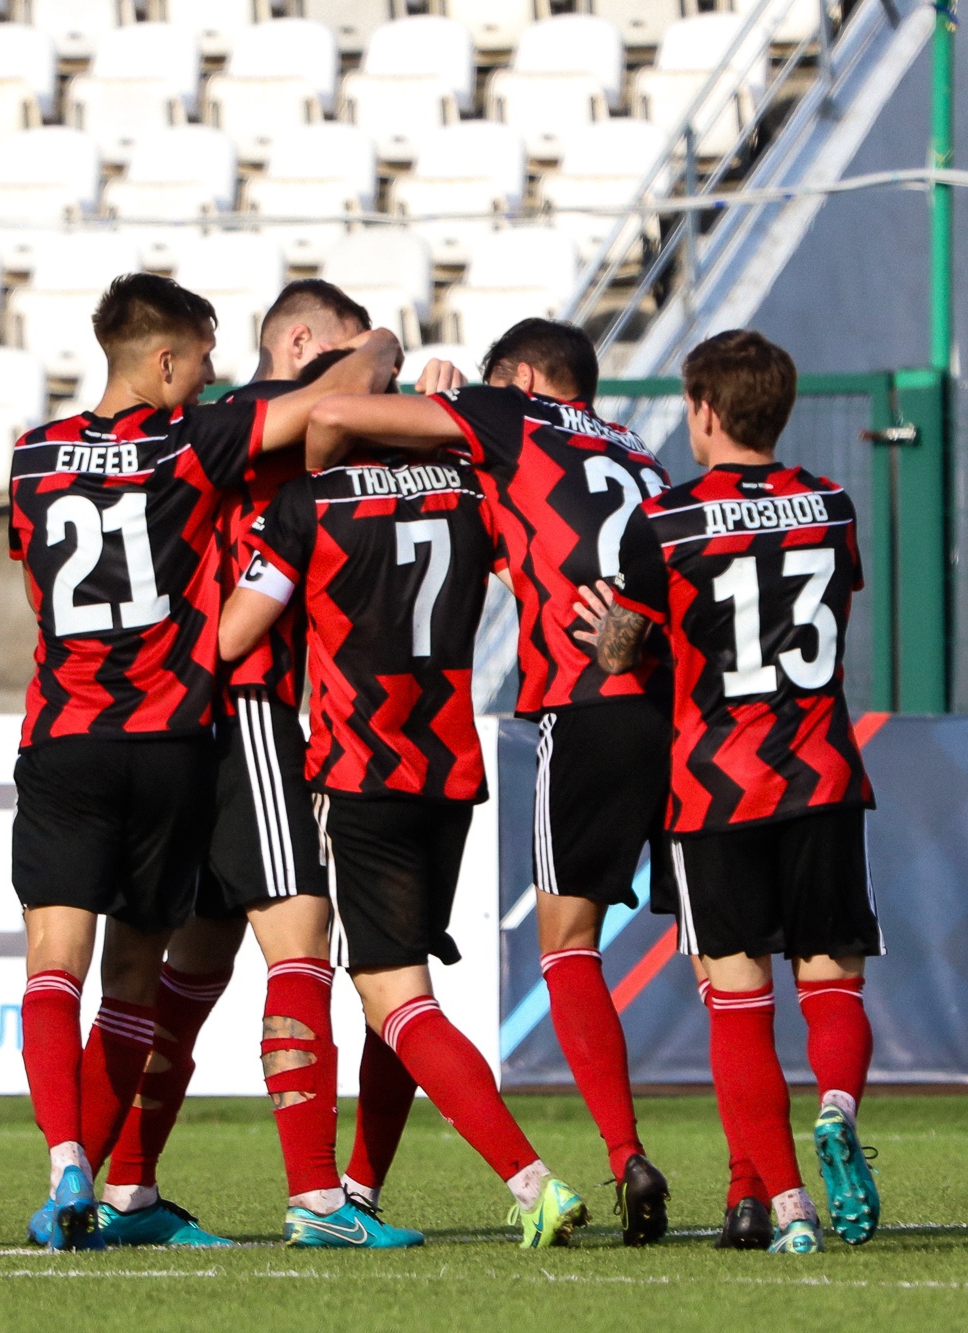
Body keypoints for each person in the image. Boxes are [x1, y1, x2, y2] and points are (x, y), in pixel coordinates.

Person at [8, 272, 402, 1251]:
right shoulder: (208, 434)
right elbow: (323, 402)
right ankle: (316, 1196)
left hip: (67, 728)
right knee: (292, 936)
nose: (210, 376)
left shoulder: (29, 455)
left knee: (166, 970)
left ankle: (104, 1184)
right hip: (223, 715)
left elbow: (36, 589)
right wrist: (386, 346)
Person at [297, 319, 675, 1244]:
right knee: (722, 954)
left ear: (527, 378)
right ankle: (769, 1185)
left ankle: (608, 1156)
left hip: (556, 709)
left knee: (558, 947)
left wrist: (421, 385)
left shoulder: (509, 415)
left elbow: (335, 414)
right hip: (672, 708)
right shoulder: (646, 456)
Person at [215, 410, 590, 1250]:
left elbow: (235, 631)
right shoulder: (470, 493)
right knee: (401, 987)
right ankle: (361, 1189)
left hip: (360, 773)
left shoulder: (310, 503)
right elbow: (533, 572)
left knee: (394, 994)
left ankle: (531, 1182)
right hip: (448, 771)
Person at [578, 328, 881, 1255]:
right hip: (822, 772)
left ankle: (789, 1212)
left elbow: (624, 651)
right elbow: (832, 608)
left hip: (715, 790)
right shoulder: (831, 505)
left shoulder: (661, 522)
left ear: (704, 412)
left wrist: (609, 628)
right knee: (831, 981)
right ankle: (836, 1107)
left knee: (739, 1000)